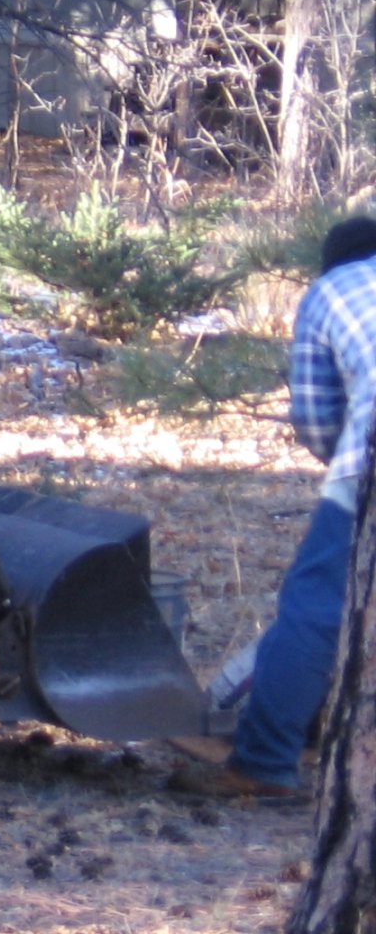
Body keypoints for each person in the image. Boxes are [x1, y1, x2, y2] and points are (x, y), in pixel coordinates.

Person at [176, 214, 376, 799]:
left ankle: (262, 765)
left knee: (316, 610)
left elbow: (316, 419)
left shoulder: (332, 292)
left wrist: (343, 465)